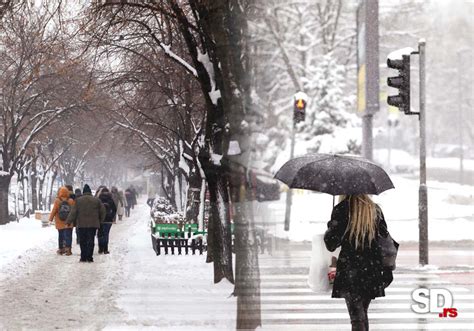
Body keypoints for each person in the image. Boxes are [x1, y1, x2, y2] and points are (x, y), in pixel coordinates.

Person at [324, 195, 393, 331]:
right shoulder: (374, 210)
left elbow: (331, 244)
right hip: (371, 269)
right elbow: (385, 241)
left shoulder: (342, 209)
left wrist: (331, 227)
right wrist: (387, 269)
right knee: (362, 313)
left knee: (357, 317)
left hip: (350, 269)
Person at [66, 184, 105, 263]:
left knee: (83, 241)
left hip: (81, 224)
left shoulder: (78, 200)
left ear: (83, 192)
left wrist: (68, 221)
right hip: (93, 224)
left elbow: (73, 212)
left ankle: (83, 257)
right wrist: (100, 221)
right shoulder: (96, 200)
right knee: (91, 240)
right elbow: (103, 211)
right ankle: (89, 257)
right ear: (90, 191)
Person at [48, 187, 75, 256]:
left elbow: (54, 210)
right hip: (68, 222)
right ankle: (68, 250)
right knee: (68, 236)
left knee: (61, 236)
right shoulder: (71, 201)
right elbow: (73, 211)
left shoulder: (57, 201)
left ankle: (61, 249)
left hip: (60, 222)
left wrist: (50, 219)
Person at [97, 187, 117, 254]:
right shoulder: (110, 199)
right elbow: (114, 209)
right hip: (108, 220)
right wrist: (112, 216)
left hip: (100, 220)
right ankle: (105, 249)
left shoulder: (98, 199)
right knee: (106, 234)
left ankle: (100, 249)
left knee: (100, 234)